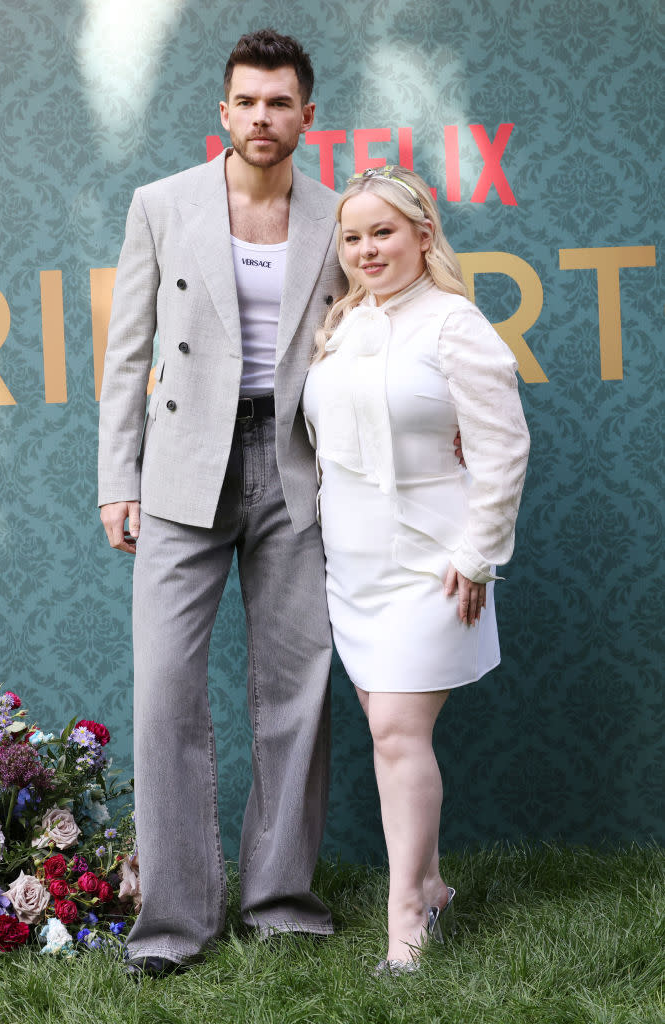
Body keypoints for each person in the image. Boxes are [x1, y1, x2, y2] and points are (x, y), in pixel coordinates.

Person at [97, 29, 347, 977]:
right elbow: (126, 353)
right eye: (246, 101)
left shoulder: (336, 212)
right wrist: (117, 478)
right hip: (180, 463)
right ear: (223, 111)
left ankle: (279, 900)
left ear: (306, 115)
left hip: (295, 464)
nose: (261, 118)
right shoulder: (161, 205)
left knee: (297, 690)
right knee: (165, 691)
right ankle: (174, 922)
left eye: (279, 103)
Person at [302, 166, 530, 974]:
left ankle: (405, 920)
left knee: (398, 732)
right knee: (385, 732)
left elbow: (502, 447)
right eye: (352, 235)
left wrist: (476, 554)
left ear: (422, 236)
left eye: (383, 232)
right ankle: (429, 883)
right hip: (351, 563)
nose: (366, 249)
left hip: (434, 561)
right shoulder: (338, 326)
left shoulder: (454, 324)